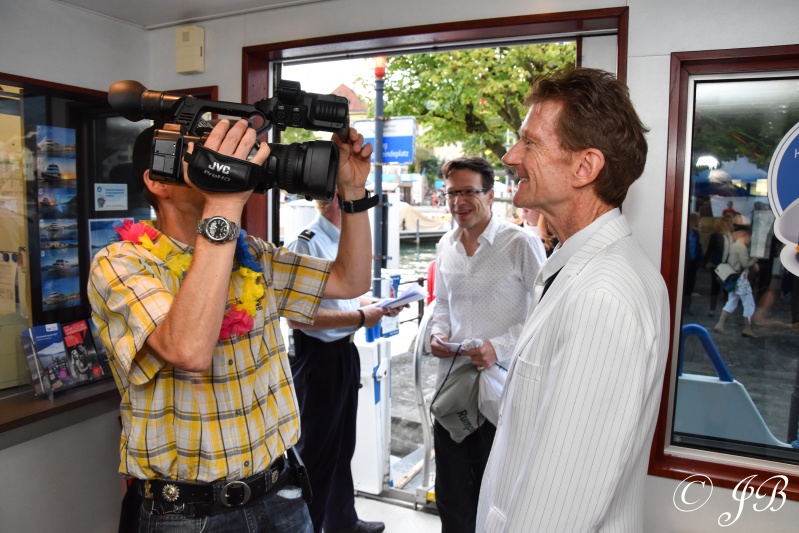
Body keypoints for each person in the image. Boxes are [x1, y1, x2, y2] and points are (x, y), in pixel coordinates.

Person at [87, 118, 374, 533]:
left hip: (281, 493)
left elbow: (351, 279)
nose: (220, 160)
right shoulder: (121, 264)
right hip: (189, 516)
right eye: (202, 152)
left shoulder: (252, 254)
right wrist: (224, 205)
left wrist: (352, 192)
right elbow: (188, 350)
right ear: (158, 181)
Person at [476, 68, 670, 531]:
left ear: (585, 167)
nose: (510, 156)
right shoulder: (579, 267)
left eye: (530, 143)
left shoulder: (603, 296)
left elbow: (557, 505)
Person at [428, 157, 544, 533]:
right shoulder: (445, 245)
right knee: (451, 493)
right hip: (454, 388)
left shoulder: (520, 243)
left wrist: (500, 346)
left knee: (495, 495)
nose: (458, 201)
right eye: (451, 193)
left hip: (502, 391)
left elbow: (546, 313)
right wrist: (437, 334)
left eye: (468, 191)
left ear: (490, 195)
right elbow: (442, 303)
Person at [285, 197, 406, 533]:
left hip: (343, 353)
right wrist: (360, 318)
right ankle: (311, 526)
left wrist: (379, 305)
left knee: (342, 445)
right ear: (337, 199)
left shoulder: (340, 242)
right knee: (316, 453)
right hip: (317, 358)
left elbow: (344, 299)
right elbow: (297, 317)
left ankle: (342, 521)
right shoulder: (306, 244)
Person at [714, 224, 759, 338]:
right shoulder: (741, 246)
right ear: (745, 235)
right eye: (749, 237)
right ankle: (747, 328)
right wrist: (754, 260)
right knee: (748, 303)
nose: (749, 239)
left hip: (734, 278)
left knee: (732, 301)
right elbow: (745, 263)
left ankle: (720, 324)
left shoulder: (734, 245)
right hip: (741, 279)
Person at [704, 215, 734, 317]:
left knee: (727, 289)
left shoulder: (731, 236)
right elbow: (710, 250)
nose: (729, 224)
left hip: (728, 266)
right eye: (727, 222)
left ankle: (725, 311)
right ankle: (712, 309)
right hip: (717, 265)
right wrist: (705, 262)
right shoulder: (716, 235)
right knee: (715, 287)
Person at [682, 211, 703, 315]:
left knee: (690, 286)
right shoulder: (685, 232)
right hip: (685, 264)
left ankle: (687, 307)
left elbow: (698, 249)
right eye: (698, 219)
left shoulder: (696, 233)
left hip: (693, 263)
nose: (699, 222)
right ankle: (684, 307)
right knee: (685, 286)